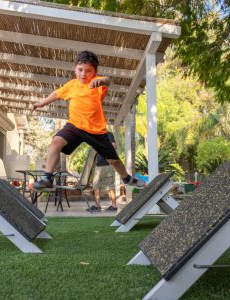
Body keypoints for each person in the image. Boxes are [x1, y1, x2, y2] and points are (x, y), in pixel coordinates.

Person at [30, 50, 146, 190]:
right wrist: (42, 103)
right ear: (75, 69)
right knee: (56, 141)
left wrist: (100, 80)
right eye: (80, 70)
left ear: (95, 72)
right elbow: (57, 94)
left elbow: (108, 80)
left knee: (113, 161)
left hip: (96, 131)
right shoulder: (72, 85)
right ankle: (47, 178)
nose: (84, 74)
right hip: (75, 126)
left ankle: (127, 178)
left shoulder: (98, 84)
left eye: (88, 71)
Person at [88, 131, 118, 212]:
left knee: (110, 186)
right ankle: (98, 206)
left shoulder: (109, 134)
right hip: (98, 165)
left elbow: (114, 146)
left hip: (107, 164)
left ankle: (114, 206)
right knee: (96, 186)